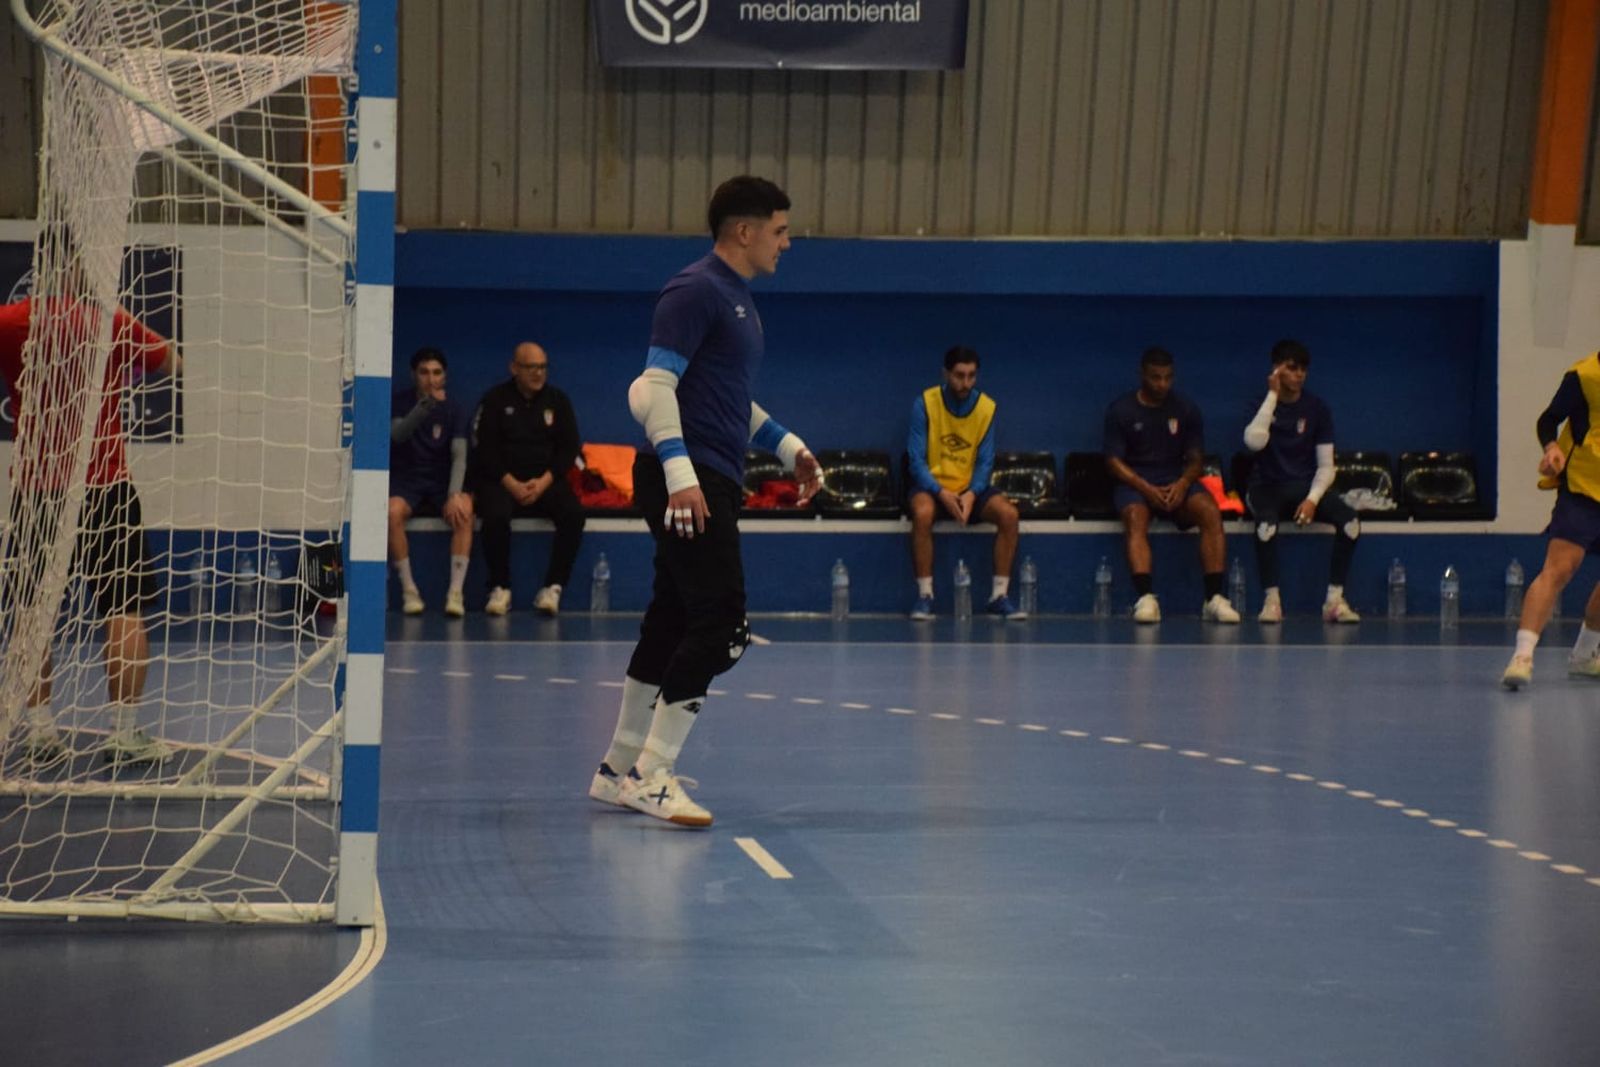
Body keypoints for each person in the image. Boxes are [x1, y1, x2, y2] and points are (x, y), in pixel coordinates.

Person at [588, 175, 822, 828]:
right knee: (721, 625)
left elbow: (727, 399)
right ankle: (652, 776)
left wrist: (789, 448)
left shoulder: (736, 300)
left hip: (703, 473)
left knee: (671, 618)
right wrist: (681, 474)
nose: (786, 242)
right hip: (689, 478)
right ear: (744, 231)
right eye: (780, 230)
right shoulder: (696, 289)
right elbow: (653, 387)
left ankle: (616, 769)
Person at [0, 286, 180, 764]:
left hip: (38, 494)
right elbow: (173, 363)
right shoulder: (109, 322)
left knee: (32, 612)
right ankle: (124, 733)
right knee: (124, 608)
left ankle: (40, 731)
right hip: (106, 489)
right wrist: (122, 361)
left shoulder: (11, 322)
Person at [1103, 346, 1238, 624]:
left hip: (1176, 481)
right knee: (1135, 516)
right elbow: (1113, 462)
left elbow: (1196, 459)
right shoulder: (1121, 410)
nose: (1162, 384)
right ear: (1142, 375)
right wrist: (1145, 488)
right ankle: (1146, 598)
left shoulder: (1186, 409)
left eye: (1167, 377)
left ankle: (1213, 598)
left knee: (1209, 511)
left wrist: (1183, 483)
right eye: (1156, 377)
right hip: (1136, 483)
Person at [1241, 340, 1361, 623]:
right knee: (1266, 526)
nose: (1299, 375)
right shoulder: (1261, 405)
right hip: (1265, 487)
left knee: (1350, 523)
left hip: (1304, 489)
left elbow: (1326, 467)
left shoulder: (1317, 409)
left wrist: (1312, 500)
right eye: (1292, 368)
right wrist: (1273, 395)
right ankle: (1272, 601)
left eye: (1303, 369)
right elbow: (1254, 442)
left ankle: (1334, 601)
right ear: (1276, 369)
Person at [1501, 351, 1600, 689]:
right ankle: (1522, 658)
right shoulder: (1584, 376)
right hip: (1583, 488)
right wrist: (1551, 448)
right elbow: (1548, 419)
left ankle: (1584, 655)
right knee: (1560, 569)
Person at [905, 345, 1025, 620]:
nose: (966, 383)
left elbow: (985, 462)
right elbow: (916, 460)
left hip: (970, 489)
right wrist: (941, 492)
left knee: (1009, 514)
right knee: (922, 513)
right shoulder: (924, 404)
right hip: (933, 487)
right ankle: (925, 595)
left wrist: (972, 494)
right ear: (945, 374)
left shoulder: (986, 408)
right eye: (959, 375)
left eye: (972, 376)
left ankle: (999, 596)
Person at [472, 342, 584, 616]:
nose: (538, 373)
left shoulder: (558, 401)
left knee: (573, 514)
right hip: (503, 481)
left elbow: (569, 449)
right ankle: (500, 587)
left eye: (543, 367)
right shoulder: (495, 400)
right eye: (531, 367)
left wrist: (544, 482)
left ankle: (553, 587)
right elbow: (484, 449)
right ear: (514, 368)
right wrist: (510, 483)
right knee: (494, 515)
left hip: (545, 481)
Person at [388, 346, 473, 617]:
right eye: (424, 372)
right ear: (414, 374)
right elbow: (399, 435)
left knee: (464, 510)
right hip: (407, 480)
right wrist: (425, 406)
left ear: (444, 376)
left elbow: (459, 455)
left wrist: (454, 494)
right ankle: (409, 591)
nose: (431, 379)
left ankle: (455, 594)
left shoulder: (455, 409)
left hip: (440, 481)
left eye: (437, 373)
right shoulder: (399, 402)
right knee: (391, 512)